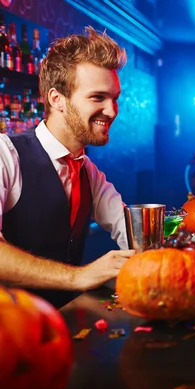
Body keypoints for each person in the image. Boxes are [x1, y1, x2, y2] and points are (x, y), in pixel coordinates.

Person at [0, 27, 134, 308]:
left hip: (67, 324)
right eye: (98, 98)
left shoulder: (87, 171)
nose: (112, 111)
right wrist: (81, 277)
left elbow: (130, 230)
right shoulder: (6, 154)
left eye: (115, 98)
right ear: (56, 99)